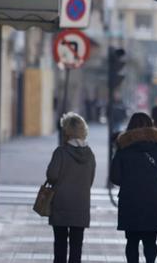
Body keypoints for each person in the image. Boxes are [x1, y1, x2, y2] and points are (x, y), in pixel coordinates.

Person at [111, 112, 157, 263]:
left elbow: (115, 177)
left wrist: (129, 182)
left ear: (130, 128)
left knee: (131, 241)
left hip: (130, 201)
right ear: (151, 127)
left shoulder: (123, 149)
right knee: (150, 241)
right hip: (154, 200)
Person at [46, 112, 96, 263]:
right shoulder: (90, 154)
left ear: (66, 131)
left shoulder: (60, 152)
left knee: (60, 245)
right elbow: (90, 180)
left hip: (61, 205)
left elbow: (52, 176)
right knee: (76, 246)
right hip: (81, 206)